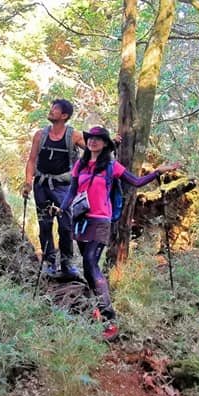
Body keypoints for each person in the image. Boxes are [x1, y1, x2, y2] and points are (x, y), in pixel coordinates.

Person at [62, 125, 179, 339]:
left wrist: (157, 172)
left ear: (105, 143)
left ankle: (110, 319)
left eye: (98, 139)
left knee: (90, 262)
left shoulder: (111, 166)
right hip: (80, 220)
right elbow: (72, 191)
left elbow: (135, 181)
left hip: (100, 220)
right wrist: (61, 209)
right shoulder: (81, 164)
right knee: (89, 269)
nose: (93, 142)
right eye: (90, 138)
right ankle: (96, 308)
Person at [21, 99, 85, 278]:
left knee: (65, 226)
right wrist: (27, 182)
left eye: (55, 109)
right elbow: (32, 160)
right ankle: (49, 262)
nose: (51, 111)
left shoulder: (74, 136)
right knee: (45, 224)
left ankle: (66, 264)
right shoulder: (40, 135)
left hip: (64, 187)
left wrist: (111, 144)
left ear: (64, 116)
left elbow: (94, 150)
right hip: (41, 185)